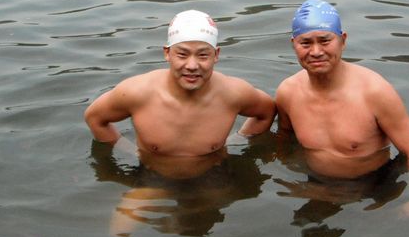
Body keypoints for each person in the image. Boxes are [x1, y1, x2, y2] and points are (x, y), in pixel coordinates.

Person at [275, 0, 409, 217]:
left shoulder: (375, 92)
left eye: (325, 41)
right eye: (306, 43)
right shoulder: (288, 92)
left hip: (375, 185)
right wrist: (287, 175)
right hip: (318, 184)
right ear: (294, 44)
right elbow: (283, 138)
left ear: (343, 40)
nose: (316, 51)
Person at [84, 9, 276, 177]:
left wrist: (239, 139)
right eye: (182, 54)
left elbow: (267, 111)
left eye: (203, 55)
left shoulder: (234, 93)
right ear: (167, 53)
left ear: (216, 55)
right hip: (153, 177)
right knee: (126, 210)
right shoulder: (137, 92)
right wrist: (130, 152)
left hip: (213, 175)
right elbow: (94, 118)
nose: (192, 65)